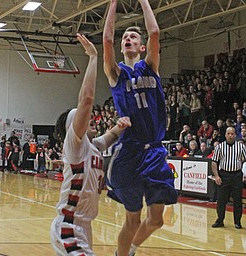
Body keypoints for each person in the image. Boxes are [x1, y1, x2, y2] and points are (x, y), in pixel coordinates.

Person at [103, 1, 177, 255]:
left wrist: (144, 1)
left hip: (155, 152)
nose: (127, 38)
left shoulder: (151, 66)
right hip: (130, 152)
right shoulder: (115, 73)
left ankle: (132, 248)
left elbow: (155, 32)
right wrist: (113, 4)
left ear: (142, 46)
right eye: (124, 36)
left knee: (156, 219)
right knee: (132, 220)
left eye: (133, 36)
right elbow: (106, 39)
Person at [50, 33, 131, 256]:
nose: (91, 117)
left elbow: (112, 135)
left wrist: (123, 123)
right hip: (68, 226)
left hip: (84, 227)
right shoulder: (75, 145)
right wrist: (94, 57)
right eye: (83, 118)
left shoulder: (93, 145)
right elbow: (86, 100)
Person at [211, 127, 246, 229]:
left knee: (237, 200)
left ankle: (237, 222)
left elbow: (244, 160)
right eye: (229, 133)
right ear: (225, 135)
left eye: (232, 134)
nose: (230, 135)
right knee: (221, 200)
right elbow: (214, 162)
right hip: (224, 175)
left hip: (236, 175)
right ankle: (220, 220)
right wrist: (216, 176)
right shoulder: (220, 147)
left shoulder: (241, 147)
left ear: (235, 135)